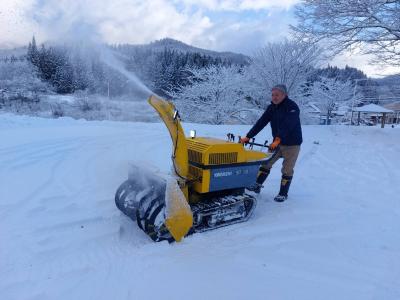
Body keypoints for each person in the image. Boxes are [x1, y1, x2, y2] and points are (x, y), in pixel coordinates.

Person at [240, 84, 302, 202]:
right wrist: (248, 137)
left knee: (287, 169)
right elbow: (261, 122)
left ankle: (283, 193)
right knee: (265, 163)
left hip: (292, 145)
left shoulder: (292, 107)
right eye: (273, 95)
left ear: (284, 95)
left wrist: (278, 139)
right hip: (277, 143)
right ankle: (256, 186)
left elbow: (288, 125)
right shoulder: (271, 108)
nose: (274, 97)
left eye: (277, 95)